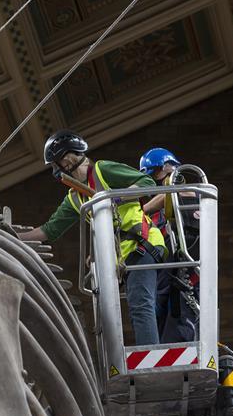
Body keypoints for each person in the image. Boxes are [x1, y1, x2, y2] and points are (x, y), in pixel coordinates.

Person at [17, 131, 166, 346]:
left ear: (67, 160)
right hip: (120, 257)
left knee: (140, 304)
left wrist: (115, 196)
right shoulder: (74, 198)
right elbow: (49, 231)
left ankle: (150, 356)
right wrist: (12, 236)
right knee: (119, 311)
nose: (55, 171)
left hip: (142, 245)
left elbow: (146, 182)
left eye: (55, 164)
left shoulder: (103, 171)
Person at [138, 147, 200, 343]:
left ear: (166, 169)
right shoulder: (160, 211)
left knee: (178, 317)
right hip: (168, 273)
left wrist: (141, 210)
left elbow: (177, 190)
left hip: (183, 273)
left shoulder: (187, 195)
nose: (153, 182)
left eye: (154, 175)